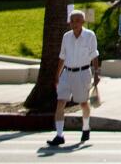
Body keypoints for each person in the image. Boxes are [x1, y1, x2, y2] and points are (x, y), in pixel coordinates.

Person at [47, 9, 100, 147]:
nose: (74, 23)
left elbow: (94, 55)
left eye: (77, 21)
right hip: (67, 73)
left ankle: (86, 127)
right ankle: (59, 135)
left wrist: (96, 73)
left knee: (83, 103)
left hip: (82, 73)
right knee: (60, 102)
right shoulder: (66, 36)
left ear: (82, 22)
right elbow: (62, 57)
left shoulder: (90, 35)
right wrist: (57, 75)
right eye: (72, 21)